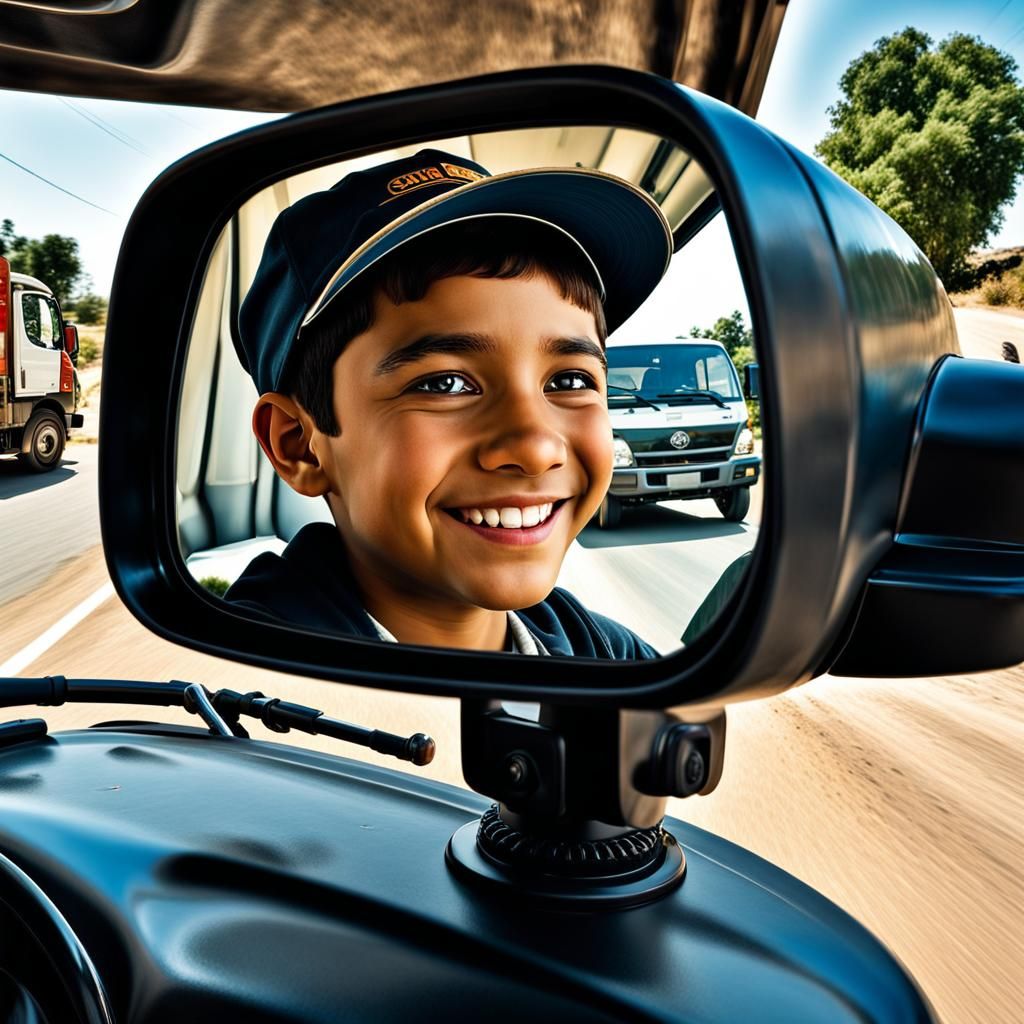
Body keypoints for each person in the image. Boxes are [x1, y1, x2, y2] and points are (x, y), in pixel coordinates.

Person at [225, 148, 672, 657]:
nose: (535, 449)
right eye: (444, 385)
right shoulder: (243, 679)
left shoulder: (608, 655)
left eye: (569, 380)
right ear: (299, 445)